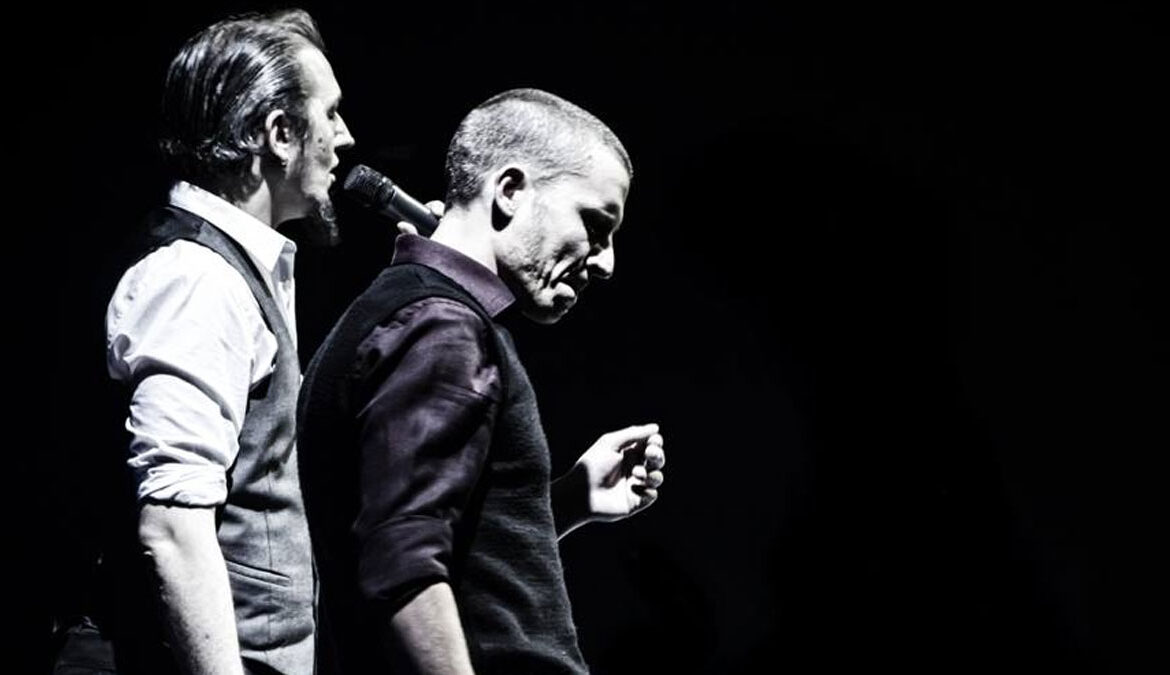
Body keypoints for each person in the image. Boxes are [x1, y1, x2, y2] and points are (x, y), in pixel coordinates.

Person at [297, 88, 666, 674]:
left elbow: (438, 547)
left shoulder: (408, 314)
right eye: (595, 225)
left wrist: (566, 502)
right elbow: (401, 565)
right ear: (510, 190)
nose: (606, 262)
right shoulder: (440, 326)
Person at [56, 9, 355, 674]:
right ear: (280, 133)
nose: (346, 137)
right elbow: (173, 530)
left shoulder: (233, 268)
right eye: (331, 113)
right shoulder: (196, 278)